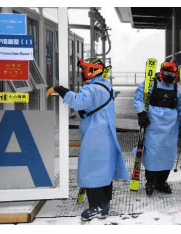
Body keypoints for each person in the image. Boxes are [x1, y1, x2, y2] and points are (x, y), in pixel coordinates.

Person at [45, 58, 129, 221]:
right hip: (106, 134)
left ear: (91, 71)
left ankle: (96, 206)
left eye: (84, 70)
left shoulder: (92, 89)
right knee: (104, 169)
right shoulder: (105, 85)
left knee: (92, 170)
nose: (82, 73)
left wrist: (60, 90)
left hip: (96, 136)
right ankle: (104, 205)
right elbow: (93, 106)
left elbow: (78, 101)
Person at [133, 59, 181, 196]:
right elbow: (138, 98)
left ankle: (161, 182)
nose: (168, 76)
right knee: (152, 154)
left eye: (171, 74)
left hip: (170, 128)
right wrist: (141, 113)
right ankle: (150, 181)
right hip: (153, 124)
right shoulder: (151, 82)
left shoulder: (177, 87)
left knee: (168, 155)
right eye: (166, 72)